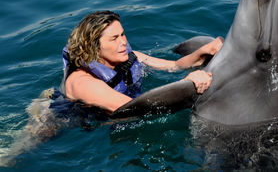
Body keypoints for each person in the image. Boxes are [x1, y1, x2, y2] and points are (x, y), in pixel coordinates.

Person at [60, 10, 223, 113]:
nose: (123, 42)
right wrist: (186, 85)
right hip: (62, 119)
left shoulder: (129, 57)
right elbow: (136, 109)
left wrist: (205, 50)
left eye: (122, 34)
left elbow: (175, 66)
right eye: (114, 38)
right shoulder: (85, 84)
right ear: (94, 48)